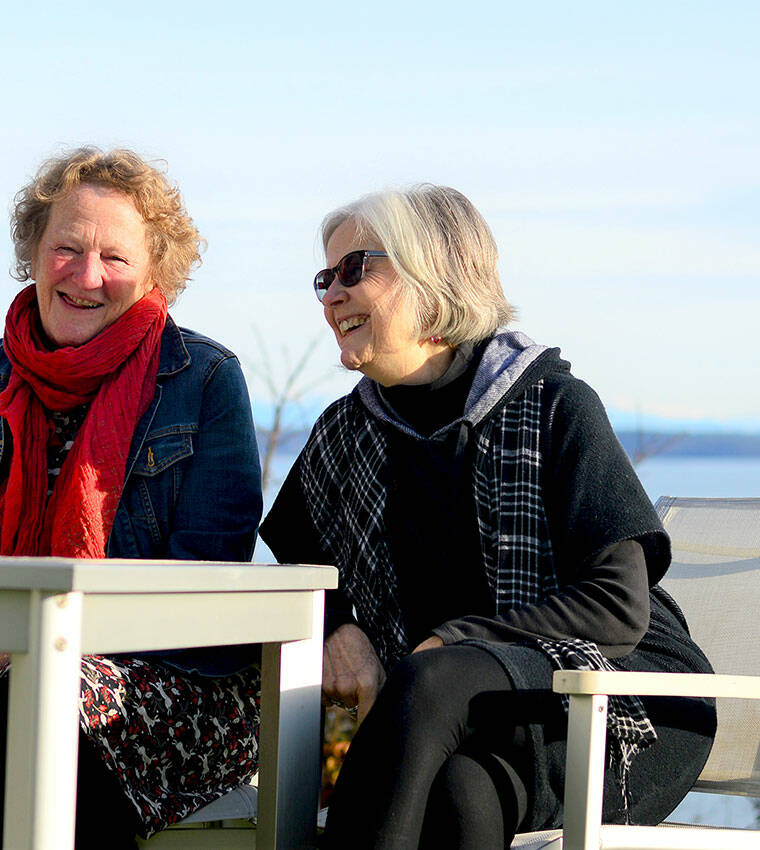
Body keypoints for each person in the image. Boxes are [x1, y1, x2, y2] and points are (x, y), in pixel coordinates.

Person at [261, 184, 716, 849]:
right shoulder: (343, 436)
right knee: (458, 799)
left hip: (624, 705)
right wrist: (339, 628)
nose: (331, 295)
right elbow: (298, 561)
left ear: (433, 277)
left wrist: (455, 641)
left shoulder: (554, 405)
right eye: (324, 277)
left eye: (355, 269)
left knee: (436, 676)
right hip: (472, 724)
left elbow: (618, 608)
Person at [0, 147, 263, 848]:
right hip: (1, 699)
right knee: (39, 706)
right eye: (67, 249)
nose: (87, 277)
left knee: (44, 697)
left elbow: (204, 586)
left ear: (154, 273)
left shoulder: (205, 379)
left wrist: (26, 650)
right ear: (32, 250)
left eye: (115, 258)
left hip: (177, 694)